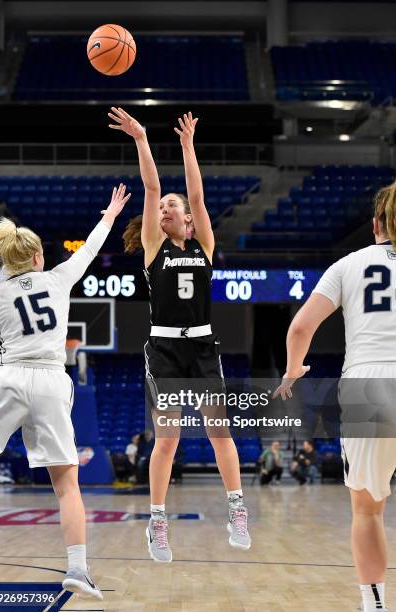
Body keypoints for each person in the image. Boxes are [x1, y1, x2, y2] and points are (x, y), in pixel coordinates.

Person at [108, 107, 251, 563]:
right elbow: (151, 187)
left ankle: (237, 509)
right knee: (167, 438)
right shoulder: (153, 246)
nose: (167, 206)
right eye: (164, 206)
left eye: (174, 206)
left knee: (219, 431)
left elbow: (197, 194)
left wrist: (189, 146)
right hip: (166, 346)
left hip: (204, 344)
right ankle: (157, 523)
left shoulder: (204, 244)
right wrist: (142, 139)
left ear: (188, 222)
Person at [0, 183, 131, 600]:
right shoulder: (57, 280)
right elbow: (90, 247)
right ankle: (78, 569)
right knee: (67, 485)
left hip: (10, 375)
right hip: (51, 381)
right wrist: (109, 214)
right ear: (37, 257)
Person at [273, 182, 396, 612]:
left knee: (368, 510)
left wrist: (293, 371)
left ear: (376, 223)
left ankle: (375, 606)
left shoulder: (348, 264)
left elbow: (300, 328)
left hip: (367, 384)